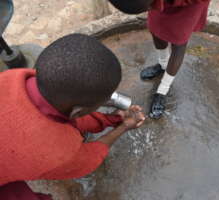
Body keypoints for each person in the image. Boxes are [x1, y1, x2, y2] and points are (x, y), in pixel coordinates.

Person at [0, 33, 145, 199]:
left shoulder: (12, 77)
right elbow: (88, 160)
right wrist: (124, 127)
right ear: (78, 111)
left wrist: (113, 119)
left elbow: (65, 114)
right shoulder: (54, 152)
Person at [109, 0, 211, 119]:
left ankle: (163, 90)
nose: (149, 10)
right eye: (148, 9)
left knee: (179, 40)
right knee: (156, 28)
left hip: (189, 5)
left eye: (149, 7)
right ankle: (163, 65)